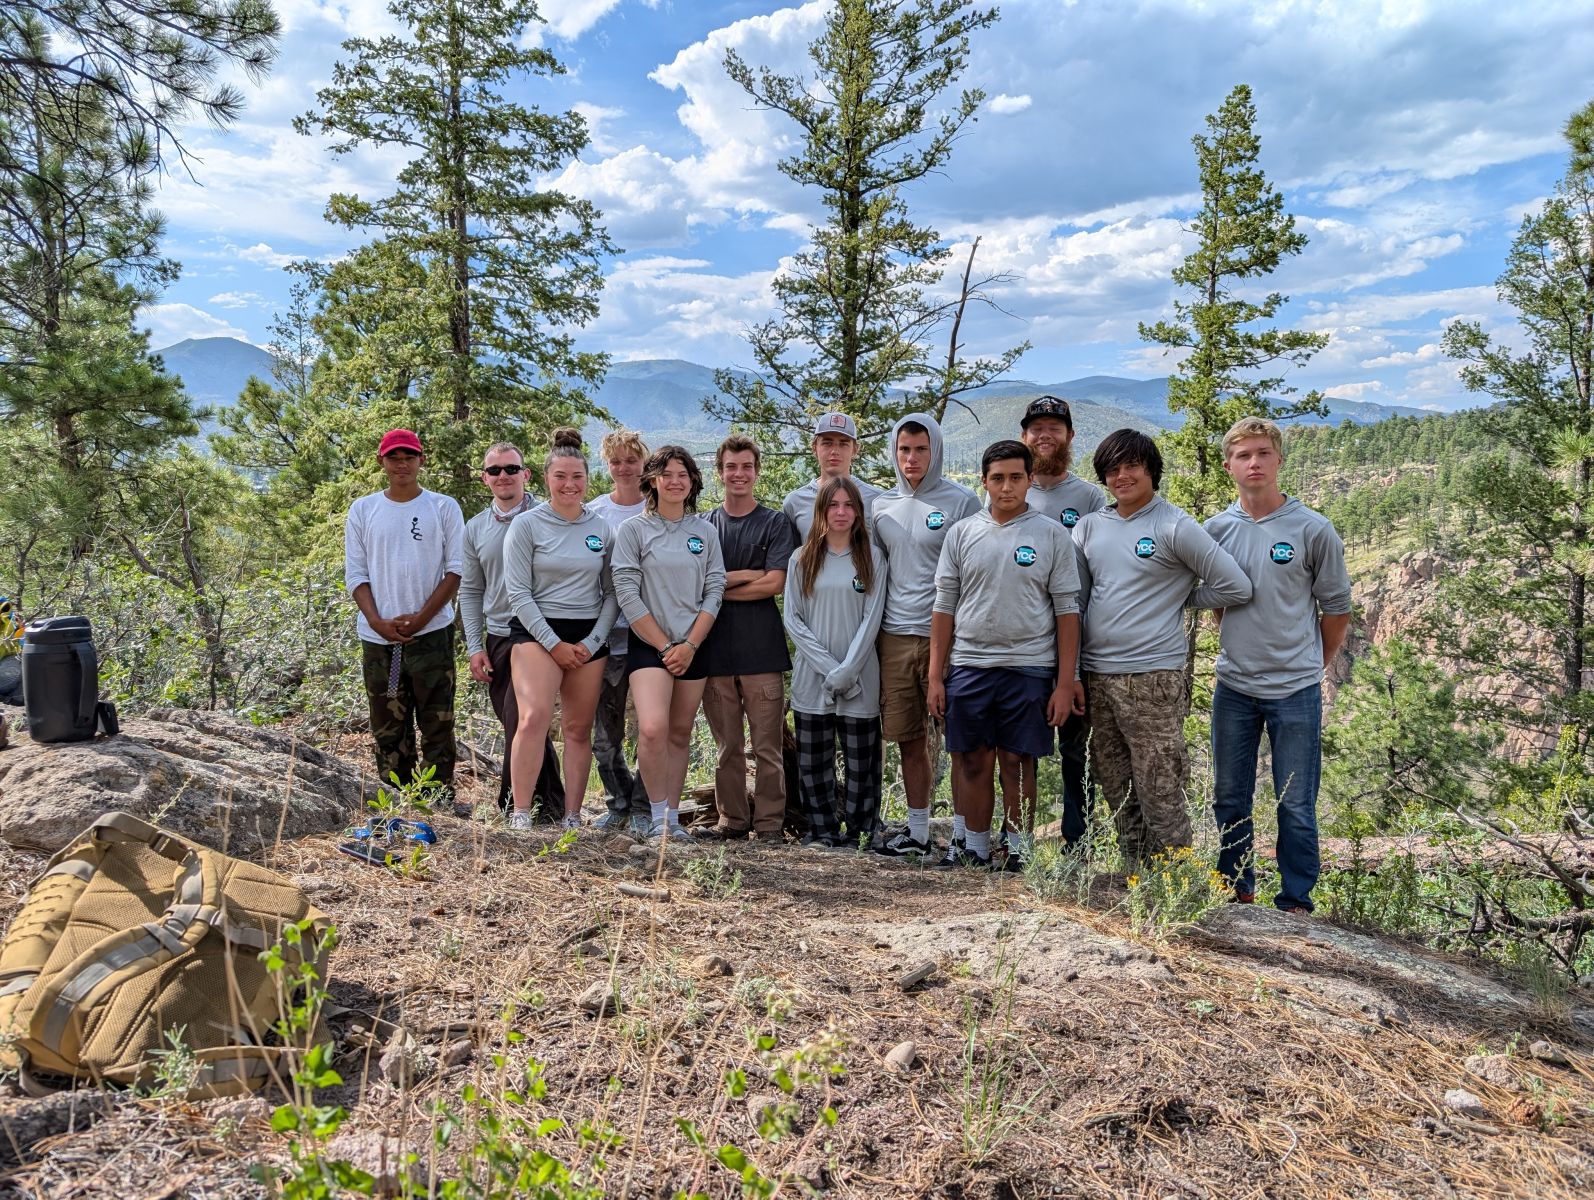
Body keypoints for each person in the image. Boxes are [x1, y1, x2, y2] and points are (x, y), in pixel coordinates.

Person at [1071, 429, 1252, 868]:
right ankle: (1136, 874)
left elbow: (1235, 585)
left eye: (1132, 465)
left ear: (1151, 469)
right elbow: (1076, 602)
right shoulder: (1089, 527)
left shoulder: (1174, 525)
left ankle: (1173, 879)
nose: (1122, 476)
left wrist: (1181, 598)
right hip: (1097, 675)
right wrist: (1073, 673)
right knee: (1114, 782)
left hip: (1153, 678)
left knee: (1160, 785)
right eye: (1112, 469)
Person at [1201, 417, 1351, 914]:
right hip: (1235, 687)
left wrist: (1312, 665)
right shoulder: (1216, 531)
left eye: (1264, 453)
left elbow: (1336, 609)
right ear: (1229, 467)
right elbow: (1217, 601)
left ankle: (1295, 900)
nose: (1255, 463)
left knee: (1296, 804)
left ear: (1279, 460)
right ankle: (1235, 888)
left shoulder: (1313, 529)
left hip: (1296, 691)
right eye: (1244, 455)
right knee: (1229, 797)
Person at [928, 440, 1083, 871]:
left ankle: (1019, 850)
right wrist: (935, 677)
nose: (1007, 486)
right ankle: (973, 847)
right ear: (984, 481)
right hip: (970, 665)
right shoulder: (963, 533)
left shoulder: (1051, 535)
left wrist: (1065, 682)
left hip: (1030, 668)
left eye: (1016, 477)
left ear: (1031, 480)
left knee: (1017, 761)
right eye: (997, 478)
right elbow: (943, 607)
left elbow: (1067, 611)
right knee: (973, 758)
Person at [869, 412, 980, 856]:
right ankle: (917, 833)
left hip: (949, 638)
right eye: (904, 450)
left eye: (920, 449)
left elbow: (974, 574)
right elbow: (874, 571)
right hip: (894, 635)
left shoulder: (962, 503)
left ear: (935, 450)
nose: (911, 459)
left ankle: (960, 834)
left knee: (957, 740)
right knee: (909, 738)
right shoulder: (879, 505)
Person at [502, 429, 619, 832]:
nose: (569, 485)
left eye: (577, 477)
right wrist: (553, 644)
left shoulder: (602, 529)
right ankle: (520, 813)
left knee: (577, 728)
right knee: (533, 718)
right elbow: (517, 592)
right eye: (561, 476)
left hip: (588, 636)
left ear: (588, 480)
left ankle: (572, 815)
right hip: (536, 631)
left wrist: (591, 642)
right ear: (546, 479)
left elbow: (611, 593)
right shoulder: (527, 526)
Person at [344, 428, 466, 802]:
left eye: (409, 456)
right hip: (380, 641)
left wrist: (424, 618)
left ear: (421, 461)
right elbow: (356, 573)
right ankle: (395, 797)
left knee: (437, 720)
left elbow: (456, 569)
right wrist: (379, 621)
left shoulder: (443, 507)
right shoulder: (364, 509)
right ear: (382, 462)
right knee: (387, 722)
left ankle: (437, 797)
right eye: (394, 457)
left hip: (430, 636)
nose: (402, 464)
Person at [611, 446, 726, 841]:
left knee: (680, 731)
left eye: (683, 474)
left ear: (693, 481)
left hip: (696, 644)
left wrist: (690, 644)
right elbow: (627, 593)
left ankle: (672, 822)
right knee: (654, 728)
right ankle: (655, 814)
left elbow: (715, 591)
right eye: (667, 474)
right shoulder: (634, 531)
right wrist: (665, 647)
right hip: (650, 646)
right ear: (652, 481)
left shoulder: (705, 531)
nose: (675, 481)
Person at [1012, 396, 1107, 849]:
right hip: (1024, 641)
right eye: (1036, 428)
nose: (1044, 435)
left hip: (1074, 637)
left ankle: (1078, 842)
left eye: (1054, 427)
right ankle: (1018, 839)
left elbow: (1098, 569)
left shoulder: (1089, 497)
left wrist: (1077, 669)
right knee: (1019, 744)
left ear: (1070, 436)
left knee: (1075, 748)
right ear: (1024, 436)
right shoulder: (1011, 488)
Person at [695, 435, 798, 841]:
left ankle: (771, 826)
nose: (739, 474)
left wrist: (717, 586)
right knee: (727, 749)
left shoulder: (774, 523)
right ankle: (732, 821)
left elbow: (774, 583)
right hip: (714, 653)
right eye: (731, 467)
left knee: (768, 749)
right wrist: (742, 576)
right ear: (719, 472)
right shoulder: (703, 525)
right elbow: (696, 583)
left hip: (762, 653)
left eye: (746, 467)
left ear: (756, 471)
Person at [458, 442, 567, 821]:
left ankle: (513, 806)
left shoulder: (549, 516)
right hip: (500, 635)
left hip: (544, 634)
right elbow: (471, 590)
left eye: (511, 468)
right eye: (494, 470)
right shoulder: (475, 529)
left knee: (524, 719)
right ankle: (550, 802)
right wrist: (475, 645)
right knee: (519, 723)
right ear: (485, 478)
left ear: (526, 474)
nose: (503, 476)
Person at [784, 477, 888, 848]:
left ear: (859, 512)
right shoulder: (802, 558)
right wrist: (832, 670)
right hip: (813, 680)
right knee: (815, 763)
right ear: (821, 511)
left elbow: (871, 619)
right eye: (833, 505)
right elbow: (793, 620)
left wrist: (848, 671)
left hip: (861, 678)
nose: (841, 512)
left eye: (848, 505)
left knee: (863, 764)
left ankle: (863, 833)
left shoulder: (872, 557)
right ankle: (822, 830)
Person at [588, 429, 653, 834]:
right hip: (606, 634)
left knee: (652, 728)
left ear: (644, 463)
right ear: (607, 465)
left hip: (650, 634)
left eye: (631, 459)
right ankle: (618, 802)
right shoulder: (595, 513)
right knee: (604, 734)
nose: (624, 468)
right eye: (616, 461)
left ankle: (645, 807)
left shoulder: (658, 509)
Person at [782, 412, 882, 541]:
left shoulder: (876, 500)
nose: (835, 451)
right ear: (814, 448)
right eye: (827, 443)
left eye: (843, 443)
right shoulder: (795, 502)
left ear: (855, 450)